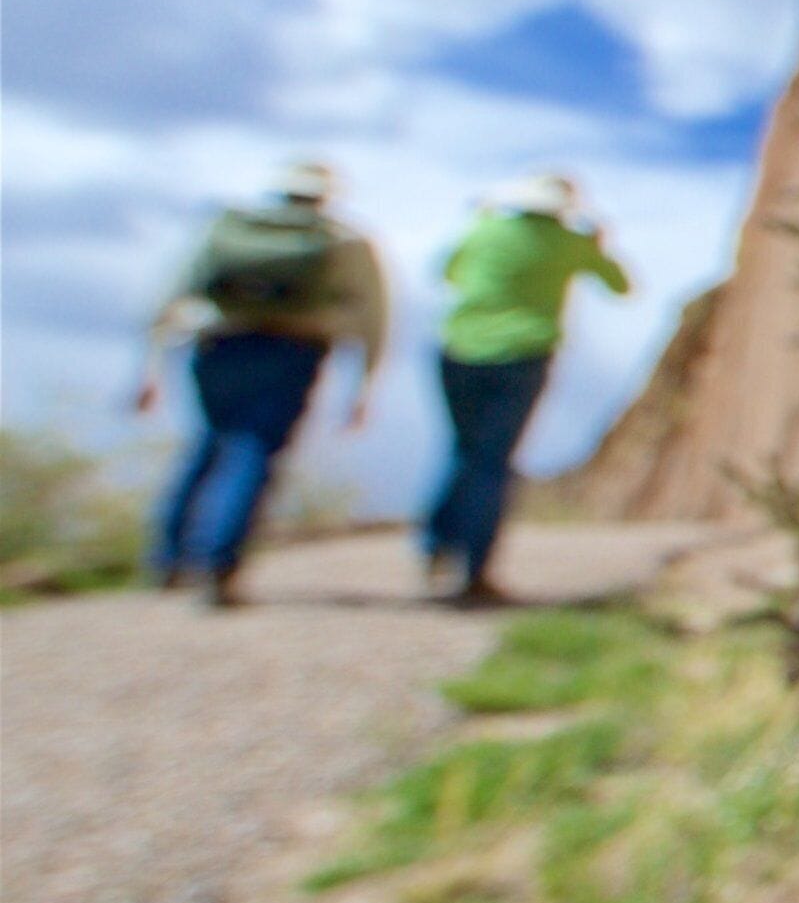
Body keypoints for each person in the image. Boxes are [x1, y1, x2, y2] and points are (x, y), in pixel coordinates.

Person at [135, 158, 389, 609]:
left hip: (218, 345)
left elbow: (176, 290)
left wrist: (149, 364)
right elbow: (371, 316)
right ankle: (218, 564)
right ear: (326, 196)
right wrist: (365, 382)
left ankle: (167, 558)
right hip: (291, 352)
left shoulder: (230, 227)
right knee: (252, 451)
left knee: (209, 443)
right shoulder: (342, 241)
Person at [420, 171, 629, 606]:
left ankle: (434, 544)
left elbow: (447, 273)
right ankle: (474, 569)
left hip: (459, 348)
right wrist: (596, 246)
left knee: (463, 450)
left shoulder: (487, 228)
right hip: (522, 356)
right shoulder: (570, 243)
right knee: (492, 462)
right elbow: (620, 287)